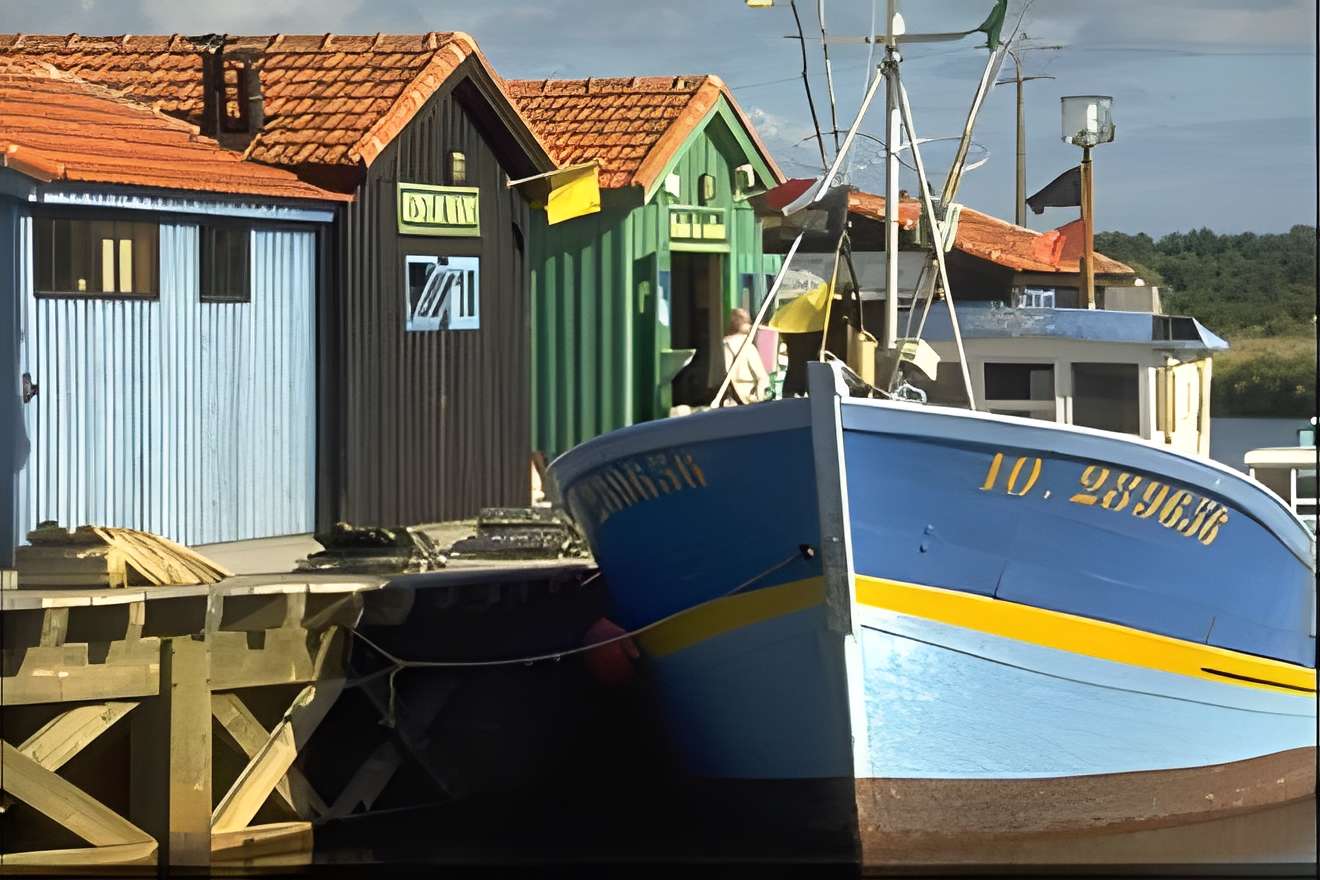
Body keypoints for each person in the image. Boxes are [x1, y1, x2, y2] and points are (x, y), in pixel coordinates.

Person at [720, 308, 771, 406]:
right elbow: (762, 378)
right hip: (747, 400)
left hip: (729, 401)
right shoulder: (748, 347)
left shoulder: (721, 345)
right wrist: (760, 399)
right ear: (744, 325)